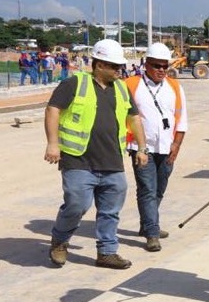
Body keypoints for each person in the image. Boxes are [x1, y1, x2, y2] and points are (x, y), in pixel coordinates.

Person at [44, 38, 149, 270]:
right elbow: (52, 110)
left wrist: (142, 148)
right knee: (77, 205)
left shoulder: (121, 88)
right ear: (99, 65)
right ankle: (60, 241)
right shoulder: (74, 84)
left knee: (110, 211)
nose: (119, 71)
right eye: (114, 66)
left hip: (112, 161)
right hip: (78, 159)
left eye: (120, 66)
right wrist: (53, 143)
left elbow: (133, 118)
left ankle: (107, 252)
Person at [126, 42, 188, 252]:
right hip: (141, 147)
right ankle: (152, 233)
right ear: (146, 64)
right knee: (147, 189)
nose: (162, 70)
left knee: (159, 189)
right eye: (156, 66)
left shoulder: (175, 87)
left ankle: (147, 224)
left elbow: (182, 119)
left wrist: (177, 145)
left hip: (167, 148)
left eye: (165, 66)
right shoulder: (131, 85)